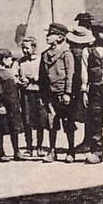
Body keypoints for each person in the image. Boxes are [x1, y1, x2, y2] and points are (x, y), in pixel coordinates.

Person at [38, 23, 77, 162]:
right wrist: (43, 96)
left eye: (50, 34)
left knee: (68, 123)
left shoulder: (67, 54)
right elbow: (42, 78)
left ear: (60, 37)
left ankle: (71, 151)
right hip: (50, 95)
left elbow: (70, 75)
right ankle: (52, 151)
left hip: (63, 94)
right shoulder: (44, 55)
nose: (47, 37)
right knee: (51, 123)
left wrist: (68, 92)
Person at [0, 48, 24, 162]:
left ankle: (16, 152)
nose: (11, 61)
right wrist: (0, 105)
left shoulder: (8, 72)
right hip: (3, 107)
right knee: (0, 130)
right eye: (9, 58)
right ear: (3, 59)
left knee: (14, 129)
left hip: (12, 106)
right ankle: (1, 153)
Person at [81, 21, 103, 163]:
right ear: (96, 33)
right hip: (95, 90)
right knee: (95, 120)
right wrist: (84, 91)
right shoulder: (88, 50)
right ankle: (97, 152)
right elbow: (84, 71)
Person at [16, 36, 48, 157]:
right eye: (23, 48)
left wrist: (37, 79)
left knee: (40, 120)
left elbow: (46, 76)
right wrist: (20, 81)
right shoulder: (20, 62)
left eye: (27, 48)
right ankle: (29, 147)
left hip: (39, 93)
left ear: (34, 48)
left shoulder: (41, 60)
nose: (25, 50)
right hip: (26, 94)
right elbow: (14, 77)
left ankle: (39, 147)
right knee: (27, 120)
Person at [66, 23, 94, 152]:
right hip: (80, 84)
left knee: (85, 114)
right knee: (85, 114)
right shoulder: (85, 50)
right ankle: (88, 141)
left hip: (79, 85)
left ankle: (88, 142)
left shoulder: (78, 52)